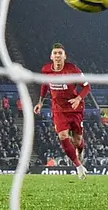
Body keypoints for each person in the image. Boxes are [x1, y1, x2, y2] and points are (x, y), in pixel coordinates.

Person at [32, 43, 88, 180]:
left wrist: (78, 99)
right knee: (63, 136)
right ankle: (78, 166)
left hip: (75, 108)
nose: (57, 56)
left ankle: (80, 150)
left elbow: (87, 87)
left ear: (64, 56)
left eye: (60, 53)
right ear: (51, 56)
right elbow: (45, 86)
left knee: (77, 140)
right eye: (55, 53)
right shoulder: (46, 70)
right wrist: (40, 102)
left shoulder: (73, 70)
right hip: (58, 109)